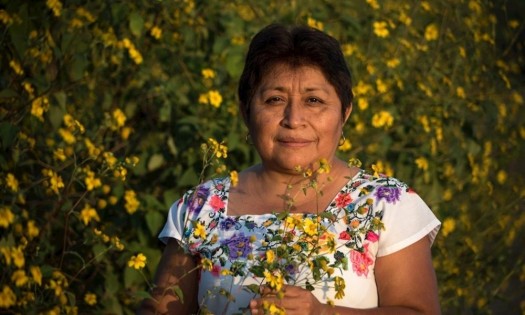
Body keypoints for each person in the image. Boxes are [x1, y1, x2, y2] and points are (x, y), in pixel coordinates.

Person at [137, 23, 441, 315]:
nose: (294, 119)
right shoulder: (201, 208)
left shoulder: (387, 204)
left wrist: (322, 313)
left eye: (314, 100)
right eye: (274, 99)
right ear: (246, 111)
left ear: (344, 112)